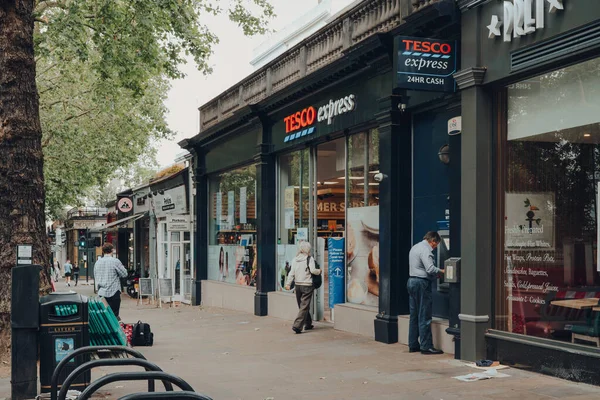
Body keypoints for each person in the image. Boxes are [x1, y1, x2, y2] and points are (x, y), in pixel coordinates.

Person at [407, 231, 445, 355]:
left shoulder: (415, 247)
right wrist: (442, 271)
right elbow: (430, 268)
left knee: (414, 315)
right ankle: (426, 346)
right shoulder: (425, 249)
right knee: (424, 315)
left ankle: (413, 344)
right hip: (421, 284)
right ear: (432, 241)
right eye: (436, 244)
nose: (435, 248)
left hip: (411, 281)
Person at [285, 241, 321, 334]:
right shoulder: (310, 259)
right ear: (308, 249)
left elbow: (291, 273)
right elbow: (313, 270)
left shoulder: (295, 259)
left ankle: (308, 324)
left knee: (302, 306)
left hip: (298, 286)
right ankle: (297, 326)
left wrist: (288, 284)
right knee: (304, 306)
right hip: (307, 285)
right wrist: (319, 271)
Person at [94, 243, 128, 318]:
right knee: (114, 316)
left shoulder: (97, 262)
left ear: (103, 251)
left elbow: (95, 275)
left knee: (104, 316)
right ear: (112, 250)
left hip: (102, 292)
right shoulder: (115, 261)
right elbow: (124, 274)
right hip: (114, 291)